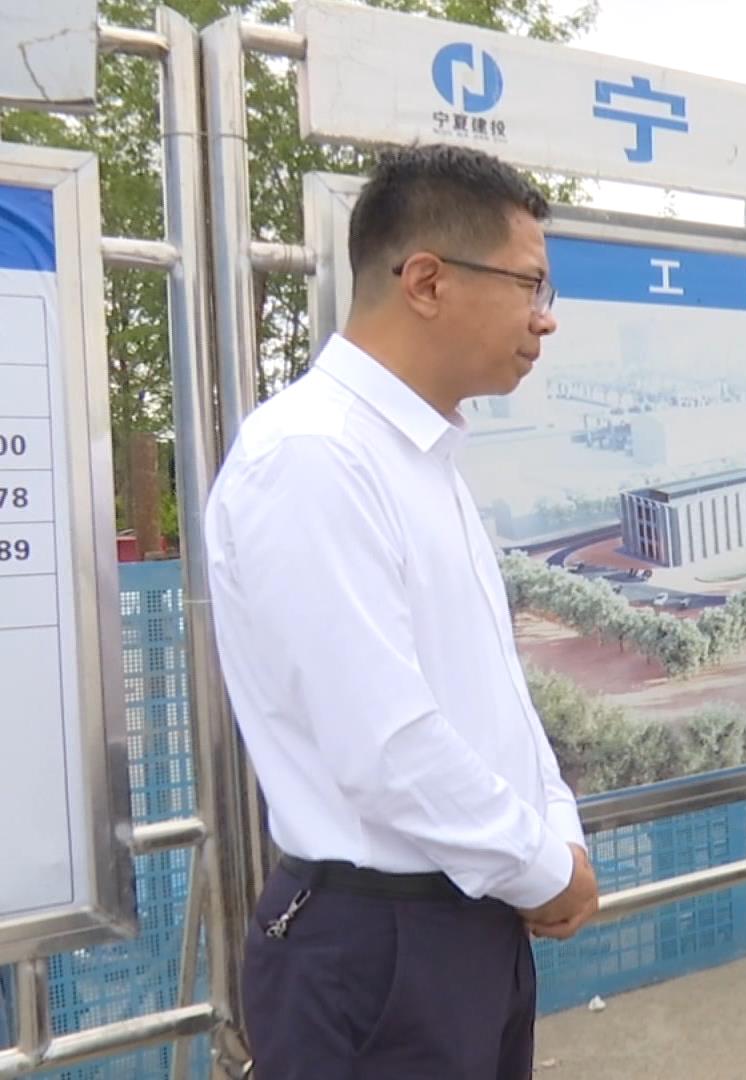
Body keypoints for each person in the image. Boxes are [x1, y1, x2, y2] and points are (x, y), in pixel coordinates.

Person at [205, 145, 597, 1079]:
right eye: (530, 285)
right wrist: (542, 868)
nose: (545, 321)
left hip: (469, 922)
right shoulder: (309, 458)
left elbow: (494, 695)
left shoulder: (423, 457)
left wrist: (557, 835)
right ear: (426, 279)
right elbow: (384, 746)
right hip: (375, 948)